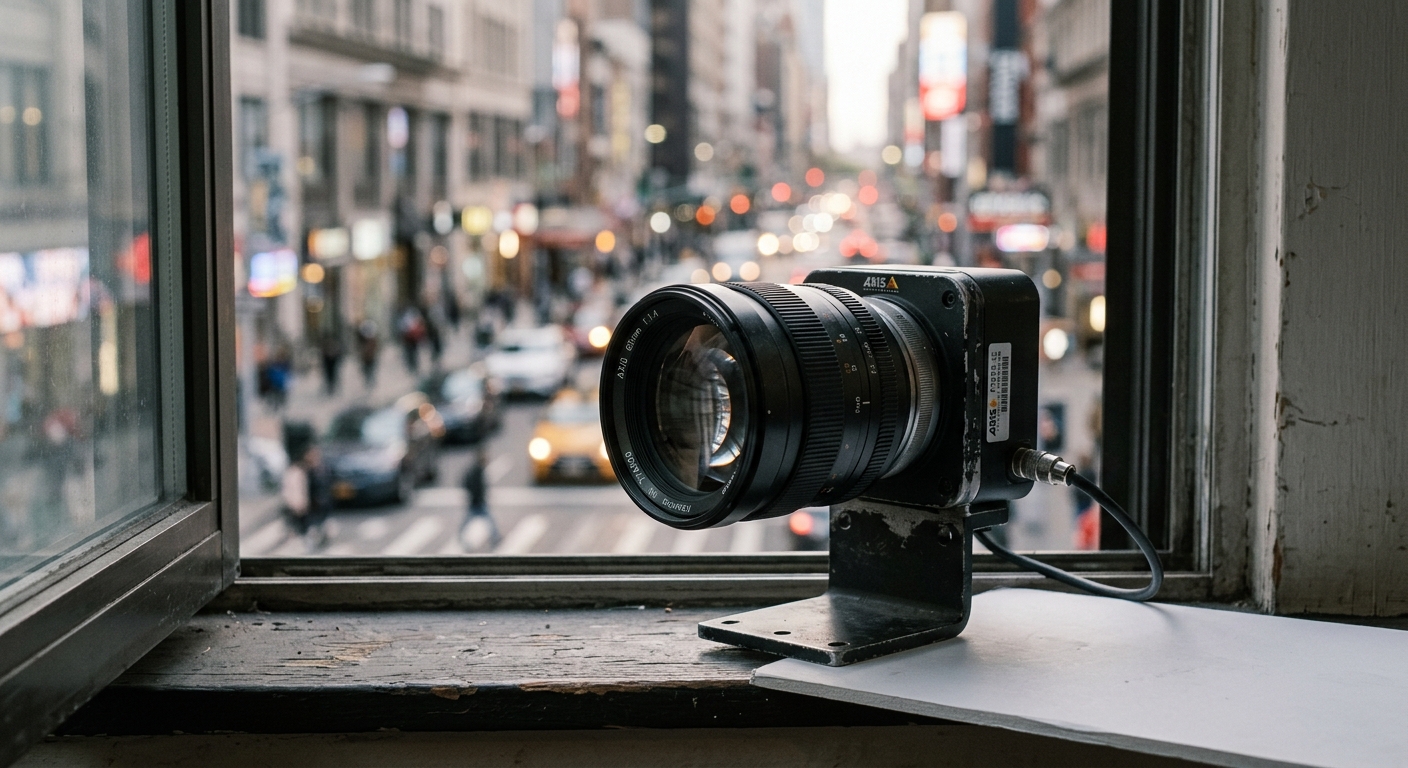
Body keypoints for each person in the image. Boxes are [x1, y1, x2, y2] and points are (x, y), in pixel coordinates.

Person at [280, 423, 329, 551]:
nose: (315, 457)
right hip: (304, 513)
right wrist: (298, 505)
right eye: (312, 455)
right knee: (303, 538)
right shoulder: (297, 472)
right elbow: (292, 492)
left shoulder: (315, 470)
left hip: (315, 512)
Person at [460, 448, 500, 551]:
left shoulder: (477, 470)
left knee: (486, 520)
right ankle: (495, 537)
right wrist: (477, 496)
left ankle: (495, 537)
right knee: (487, 520)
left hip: (477, 501)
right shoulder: (476, 471)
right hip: (477, 502)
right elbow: (473, 485)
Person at [355, 319, 379, 390]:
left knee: (371, 369)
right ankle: (369, 381)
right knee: (366, 370)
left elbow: (375, 347)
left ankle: (371, 381)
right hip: (365, 358)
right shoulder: (362, 339)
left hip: (371, 357)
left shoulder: (372, 339)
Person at [319, 330, 344, 395]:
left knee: (333, 374)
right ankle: (330, 387)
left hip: (332, 361)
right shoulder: (325, 344)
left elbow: (337, 352)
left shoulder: (333, 344)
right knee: (329, 375)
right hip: (328, 361)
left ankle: (333, 386)